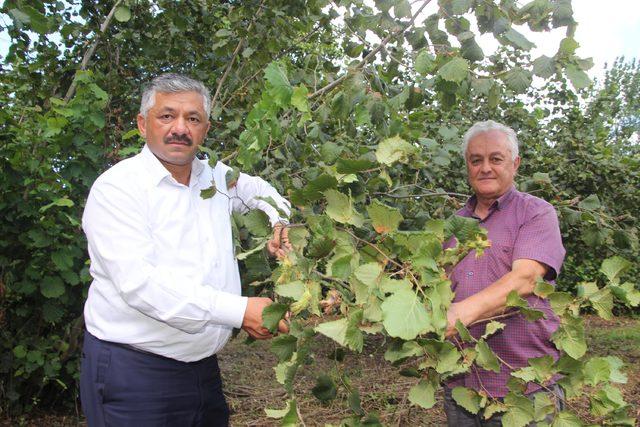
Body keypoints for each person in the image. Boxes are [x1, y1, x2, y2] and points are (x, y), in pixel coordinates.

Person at [80, 73, 291, 427]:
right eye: (167, 116)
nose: (180, 128)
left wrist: (279, 221)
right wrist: (240, 311)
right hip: (135, 371)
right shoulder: (117, 189)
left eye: (192, 119)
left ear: (205, 129)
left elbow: (261, 192)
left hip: (202, 371)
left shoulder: (214, 178)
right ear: (142, 123)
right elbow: (140, 284)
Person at [443, 120, 566, 426]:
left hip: (525, 389)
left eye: (495, 159)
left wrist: (460, 314)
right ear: (468, 166)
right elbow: (437, 288)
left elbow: (526, 278)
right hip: (462, 388)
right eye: (476, 160)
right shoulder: (454, 225)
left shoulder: (535, 213)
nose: (485, 168)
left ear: (515, 164)